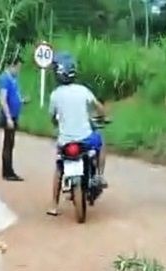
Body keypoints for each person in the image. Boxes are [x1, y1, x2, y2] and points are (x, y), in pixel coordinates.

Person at [46, 53, 108, 217]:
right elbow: (99, 108)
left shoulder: (55, 95)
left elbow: (52, 117)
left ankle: (53, 205)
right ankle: (100, 176)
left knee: (59, 167)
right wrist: (102, 117)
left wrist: (56, 124)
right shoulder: (83, 90)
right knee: (101, 141)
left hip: (65, 142)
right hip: (85, 139)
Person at [0, 55, 24, 182]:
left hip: (14, 114)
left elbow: (14, 96)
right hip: (9, 116)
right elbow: (3, 99)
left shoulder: (14, 79)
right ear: (12, 66)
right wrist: (8, 117)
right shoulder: (5, 78)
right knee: (8, 143)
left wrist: (21, 101)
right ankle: (7, 172)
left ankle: (9, 169)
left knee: (10, 143)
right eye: (17, 68)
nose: (18, 71)